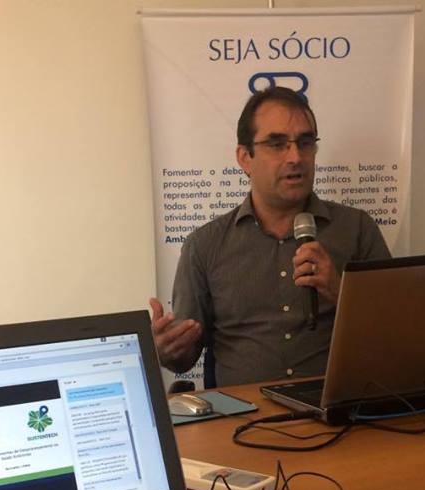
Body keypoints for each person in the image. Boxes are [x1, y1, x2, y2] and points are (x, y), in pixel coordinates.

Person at [150, 87, 391, 387]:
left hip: (336, 407)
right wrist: (167, 351)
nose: (296, 157)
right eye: (277, 144)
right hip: (241, 413)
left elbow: (393, 334)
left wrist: (341, 292)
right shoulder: (205, 245)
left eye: (305, 143)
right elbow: (184, 358)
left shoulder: (356, 229)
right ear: (245, 157)